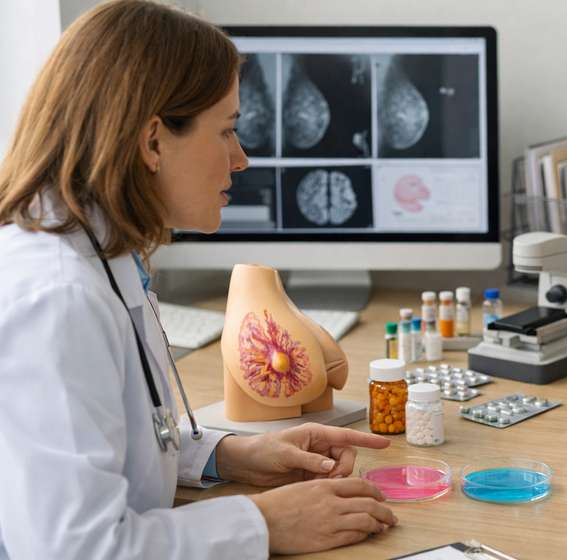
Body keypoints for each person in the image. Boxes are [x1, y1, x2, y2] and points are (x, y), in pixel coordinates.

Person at [0, 1, 397, 558]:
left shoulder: (100, 256)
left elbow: (107, 436)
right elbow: (73, 549)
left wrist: (227, 455)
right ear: (153, 142)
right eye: (227, 131)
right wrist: (262, 523)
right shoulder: (56, 296)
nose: (241, 159)